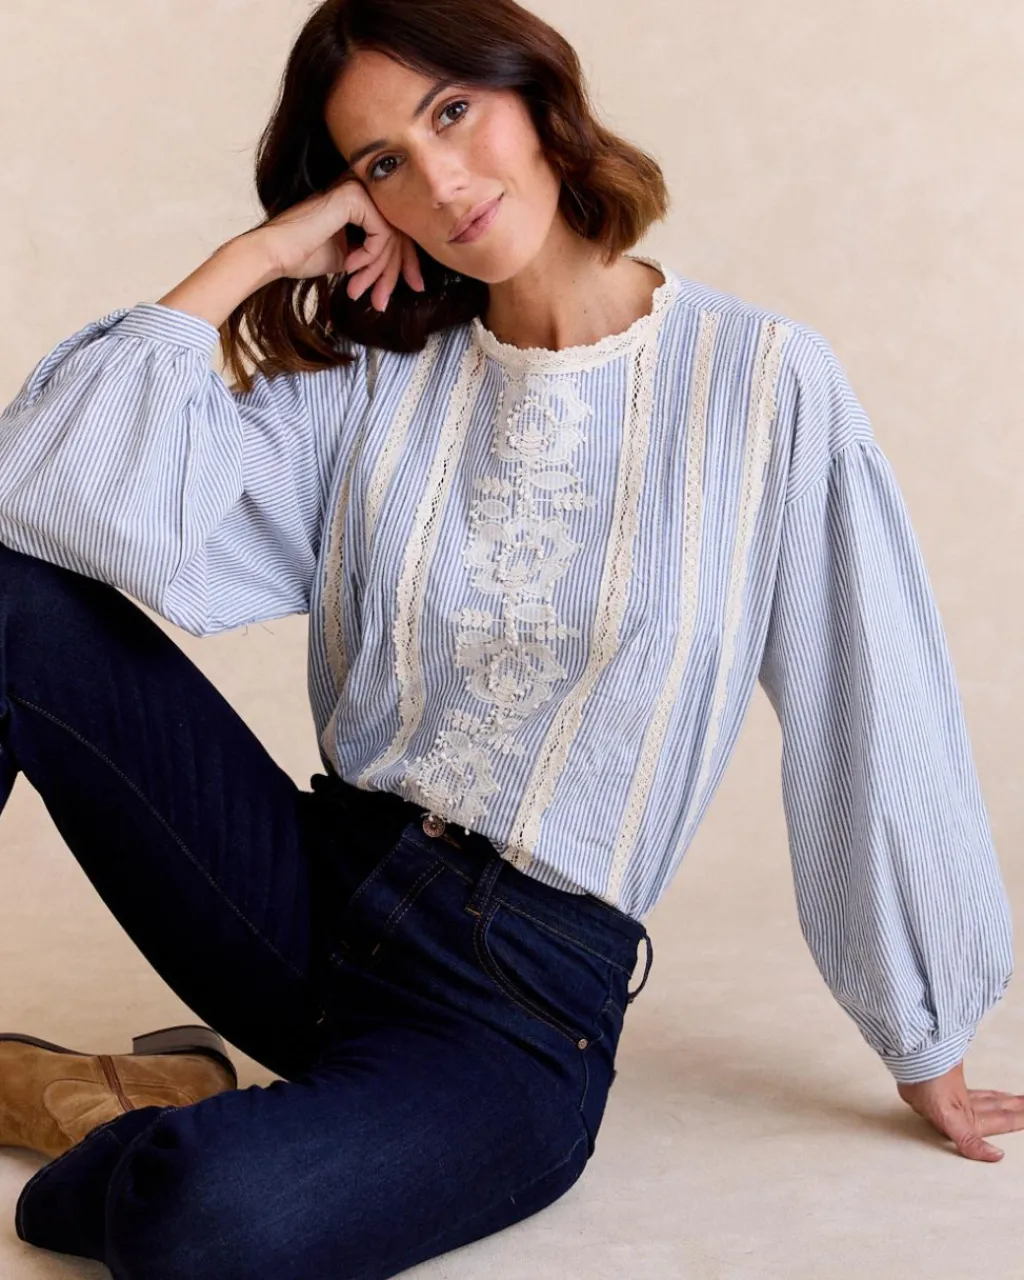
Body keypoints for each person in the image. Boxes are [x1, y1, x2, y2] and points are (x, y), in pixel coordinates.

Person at [0, 0, 1020, 1274]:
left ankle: (168, 1114)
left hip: (514, 1005)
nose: (440, 182)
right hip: (305, 894)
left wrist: (922, 1033)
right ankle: (268, 1118)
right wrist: (257, 255)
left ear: (535, 94)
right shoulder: (376, 380)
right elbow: (42, 494)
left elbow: (867, 698)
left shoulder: (762, 381)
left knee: (202, 1221)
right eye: (383, 161)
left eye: (452, 112)